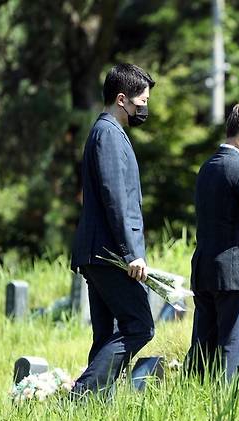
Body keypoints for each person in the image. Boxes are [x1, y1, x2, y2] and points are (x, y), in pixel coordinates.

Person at [70, 63, 156, 398]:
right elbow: (116, 198)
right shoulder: (108, 134)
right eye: (141, 102)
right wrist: (132, 251)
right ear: (122, 99)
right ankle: (81, 396)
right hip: (109, 253)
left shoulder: (107, 132)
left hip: (100, 251)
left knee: (107, 335)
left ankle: (93, 408)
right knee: (140, 326)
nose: (144, 109)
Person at [185, 99, 239, 383]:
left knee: (201, 355)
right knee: (231, 358)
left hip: (205, 271)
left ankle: (191, 409)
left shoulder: (206, 168)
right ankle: (224, 420)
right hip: (238, 276)